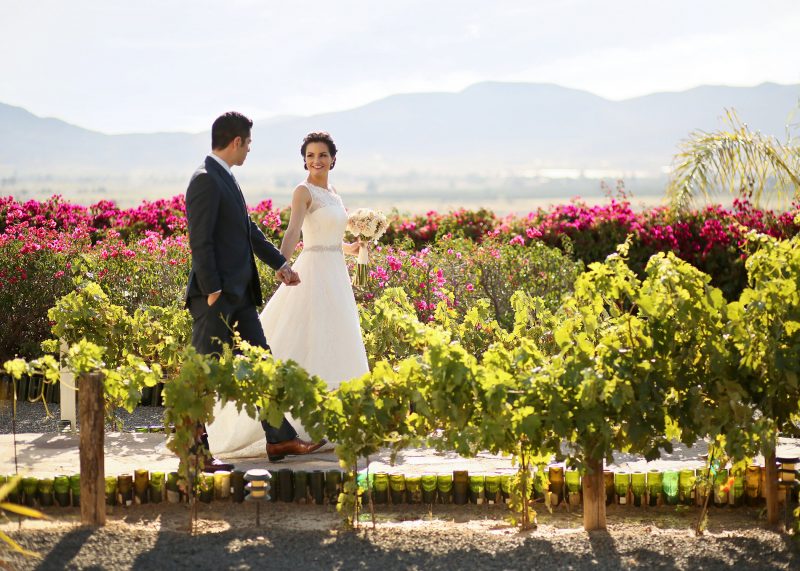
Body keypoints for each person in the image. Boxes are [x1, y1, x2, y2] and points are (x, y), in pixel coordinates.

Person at [207, 131, 370, 458]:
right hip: (313, 272)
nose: (316, 161)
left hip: (335, 273)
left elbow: (331, 237)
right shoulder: (302, 191)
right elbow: (295, 230)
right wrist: (282, 264)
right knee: (304, 339)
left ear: (333, 159)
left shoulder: (334, 194)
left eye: (322, 155)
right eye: (310, 156)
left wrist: (355, 247)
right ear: (305, 160)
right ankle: (297, 425)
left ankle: (336, 423)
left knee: (336, 339)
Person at [185, 112, 326, 469]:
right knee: (204, 371)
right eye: (248, 143)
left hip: (242, 297)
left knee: (263, 363)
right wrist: (213, 289)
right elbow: (200, 241)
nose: (249, 150)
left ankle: (279, 440)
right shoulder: (205, 179)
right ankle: (194, 454)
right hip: (216, 297)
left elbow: (248, 231)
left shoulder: (225, 178)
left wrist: (280, 264)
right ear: (236, 142)